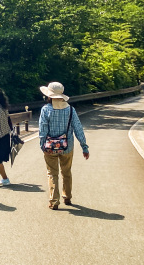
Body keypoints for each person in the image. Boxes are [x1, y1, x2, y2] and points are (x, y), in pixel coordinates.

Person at [38, 81, 90, 210]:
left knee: (52, 173)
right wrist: (84, 146)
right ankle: (67, 197)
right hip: (67, 146)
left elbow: (42, 130)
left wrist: (42, 145)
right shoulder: (70, 110)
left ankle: (54, 201)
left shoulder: (45, 109)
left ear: (49, 96)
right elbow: (78, 128)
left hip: (50, 147)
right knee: (66, 171)